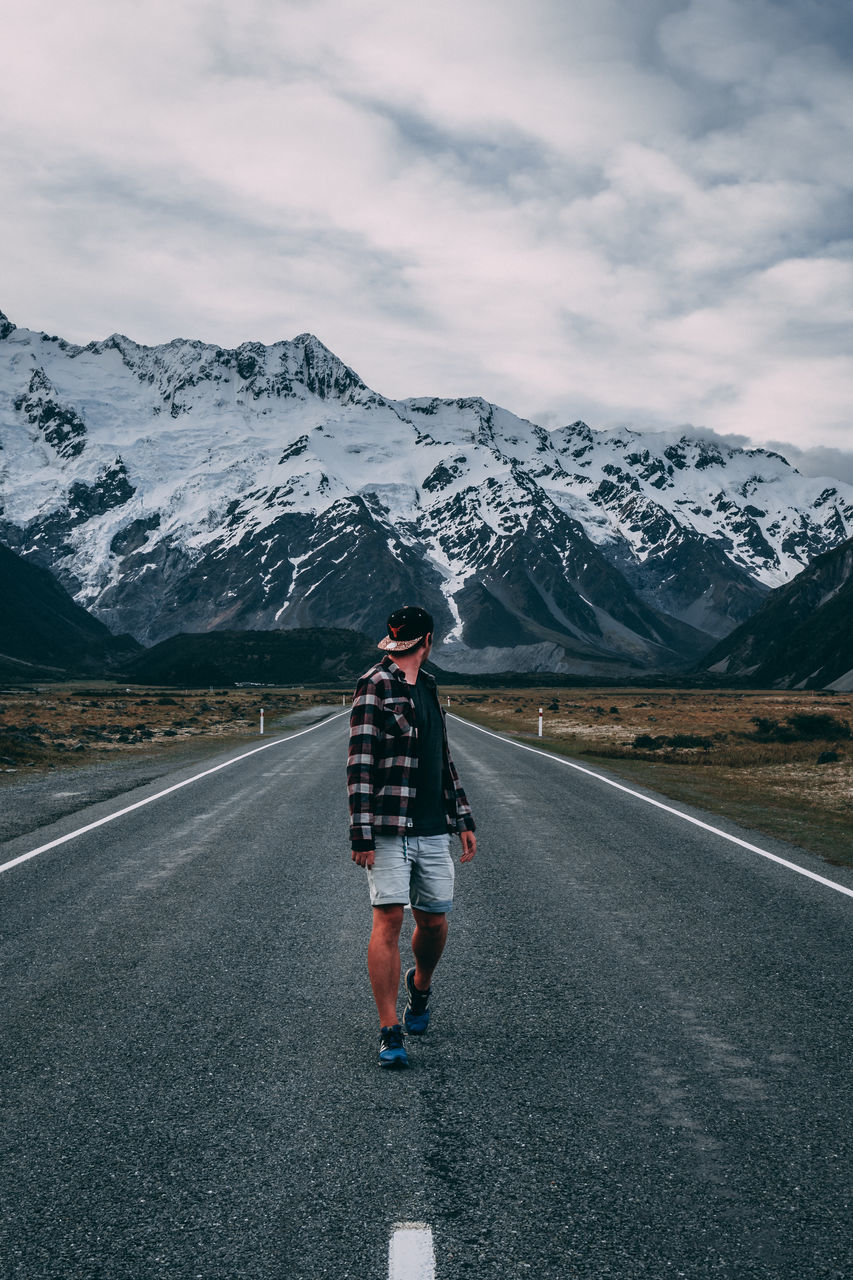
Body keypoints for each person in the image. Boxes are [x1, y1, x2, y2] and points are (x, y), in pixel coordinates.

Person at [348, 605, 477, 1068]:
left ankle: (419, 986)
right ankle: (389, 1030)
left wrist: (462, 817)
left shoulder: (428, 685)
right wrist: (361, 833)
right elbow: (359, 764)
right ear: (430, 640)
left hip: (433, 827)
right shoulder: (374, 684)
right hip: (387, 829)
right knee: (389, 921)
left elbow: (442, 759)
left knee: (434, 922)